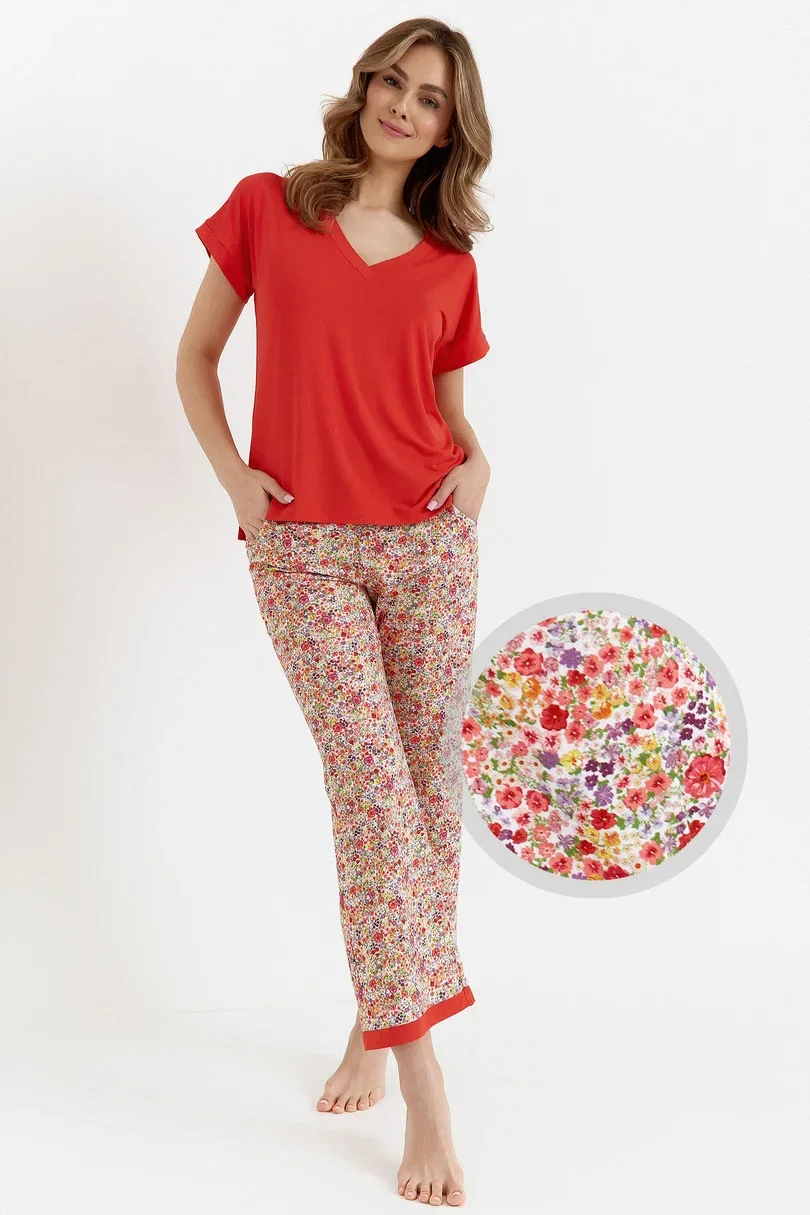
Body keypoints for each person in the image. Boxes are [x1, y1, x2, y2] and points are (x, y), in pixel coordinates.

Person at [176, 17, 492, 1207]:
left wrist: (478, 464)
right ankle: (424, 1081)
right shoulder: (271, 207)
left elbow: (446, 416)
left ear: (452, 128)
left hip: (429, 543)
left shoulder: (449, 260)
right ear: (364, 89)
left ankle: (376, 1013)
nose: (403, 105)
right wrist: (236, 484)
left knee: (426, 793)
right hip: (302, 546)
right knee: (370, 784)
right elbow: (196, 357)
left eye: (429, 97)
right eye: (391, 82)